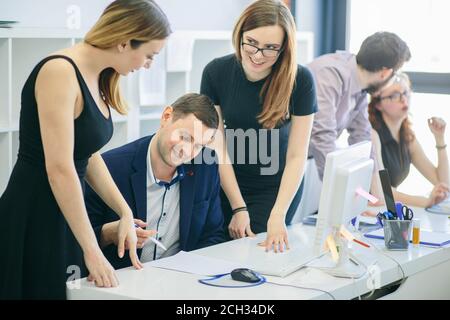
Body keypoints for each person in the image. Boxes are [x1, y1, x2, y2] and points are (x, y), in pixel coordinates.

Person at [0, 0, 171, 299]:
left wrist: (125, 211)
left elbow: (87, 154)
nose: (148, 65)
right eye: (148, 55)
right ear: (124, 42)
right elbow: (60, 169)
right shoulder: (59, 72)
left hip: (65, 214)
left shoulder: (99, 76)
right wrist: (92, 248)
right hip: (35, 214)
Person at [200, 0, 317, 252]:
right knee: (215, 251)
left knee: (258, 253)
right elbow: (217, 147)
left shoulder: (301, 80)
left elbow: (297, 156)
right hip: (225, 180)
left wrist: (278, 214)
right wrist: (238, 206)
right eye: (251, 43)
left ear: (284, 48)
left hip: (275, 189)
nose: (257, 55)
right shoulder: (215, 72)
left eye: (270, 48)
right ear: (240, 34)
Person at [85, 93, 225, 269]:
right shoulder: (109, 168)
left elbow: (213, 235)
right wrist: (108, 234)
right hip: (121, 281)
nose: (187, 151)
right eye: (184, 137)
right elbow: (74, 241)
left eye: (198, 145)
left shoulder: (206, 164)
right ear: (166, 117)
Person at [307, 32, 411, 180]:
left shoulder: (360, 88)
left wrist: (381, 196)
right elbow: (323, 136)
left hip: (303, 159)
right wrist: (336, 189)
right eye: (395, 75)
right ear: (385, 73)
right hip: (274, 155)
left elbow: (363, 137)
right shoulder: (330, 75)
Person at [369, 73, 449, 207]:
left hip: (384, 209)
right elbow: (383, 191)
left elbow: (444, 183)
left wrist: (439, 138)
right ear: (378, 105)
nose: (403, 99)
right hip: (368, 209)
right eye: (394, 95)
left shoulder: (407, 137)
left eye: (405, 93)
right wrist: (425, 201)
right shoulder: (372, 135)